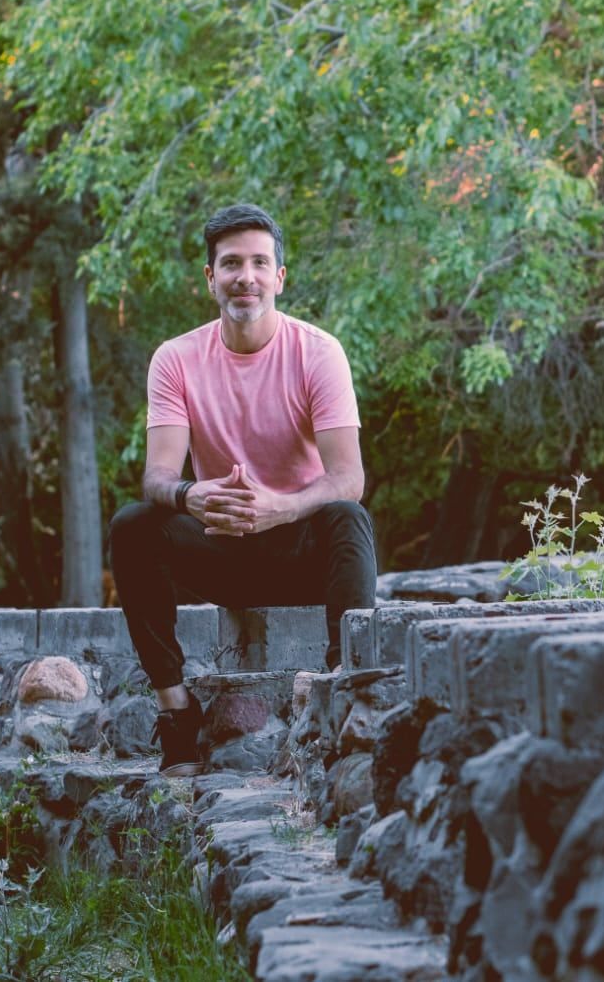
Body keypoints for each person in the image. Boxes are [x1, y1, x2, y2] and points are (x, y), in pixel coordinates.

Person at [108, 202, 376, 777]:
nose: (245, 276)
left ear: (280, 276)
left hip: (296, 548)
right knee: (133, 524)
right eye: (231, 263)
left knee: (349, 519)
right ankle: (177, 714)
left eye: (259, 262)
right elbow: (156, 475)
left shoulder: (319, 352)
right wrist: (190, 496)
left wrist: (282, 508)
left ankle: (347, 702)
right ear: (211, 279)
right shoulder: (175, 359)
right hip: (219, 547)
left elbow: (348, 479)